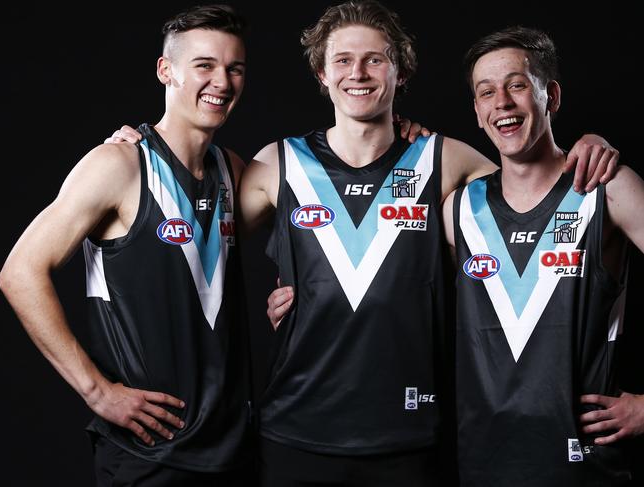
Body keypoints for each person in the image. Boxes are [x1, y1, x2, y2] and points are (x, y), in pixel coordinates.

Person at [247, 2, 618, 486]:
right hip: (296, 428)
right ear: (321, 72)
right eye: (342, 60)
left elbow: (540, 182)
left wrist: (591, 146)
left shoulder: (448, 159)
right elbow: (192, 209)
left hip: (412, 433)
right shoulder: (277, 162)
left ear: (401, 72)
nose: (358, 72)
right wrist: (132, 146)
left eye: (376, 59)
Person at [0, 5, 254, 485]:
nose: (221, 81)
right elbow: (19, 272)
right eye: (204, 65)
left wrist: (399, 132)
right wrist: (97, 392)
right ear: (166, 71)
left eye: (234, 68)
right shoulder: (118, 165)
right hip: (150, 455)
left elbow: (310, 225)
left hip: (234, 450)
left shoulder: (234, 172)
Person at [438, 26, 644, 486]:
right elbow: (393, 298)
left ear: (550, 95)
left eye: (516, 86)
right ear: (476, 111)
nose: (502, 104)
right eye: (486, 92)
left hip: (583, 468)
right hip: (483, 463)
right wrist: (296, 298)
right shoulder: (458, 211)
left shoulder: (606, 189)